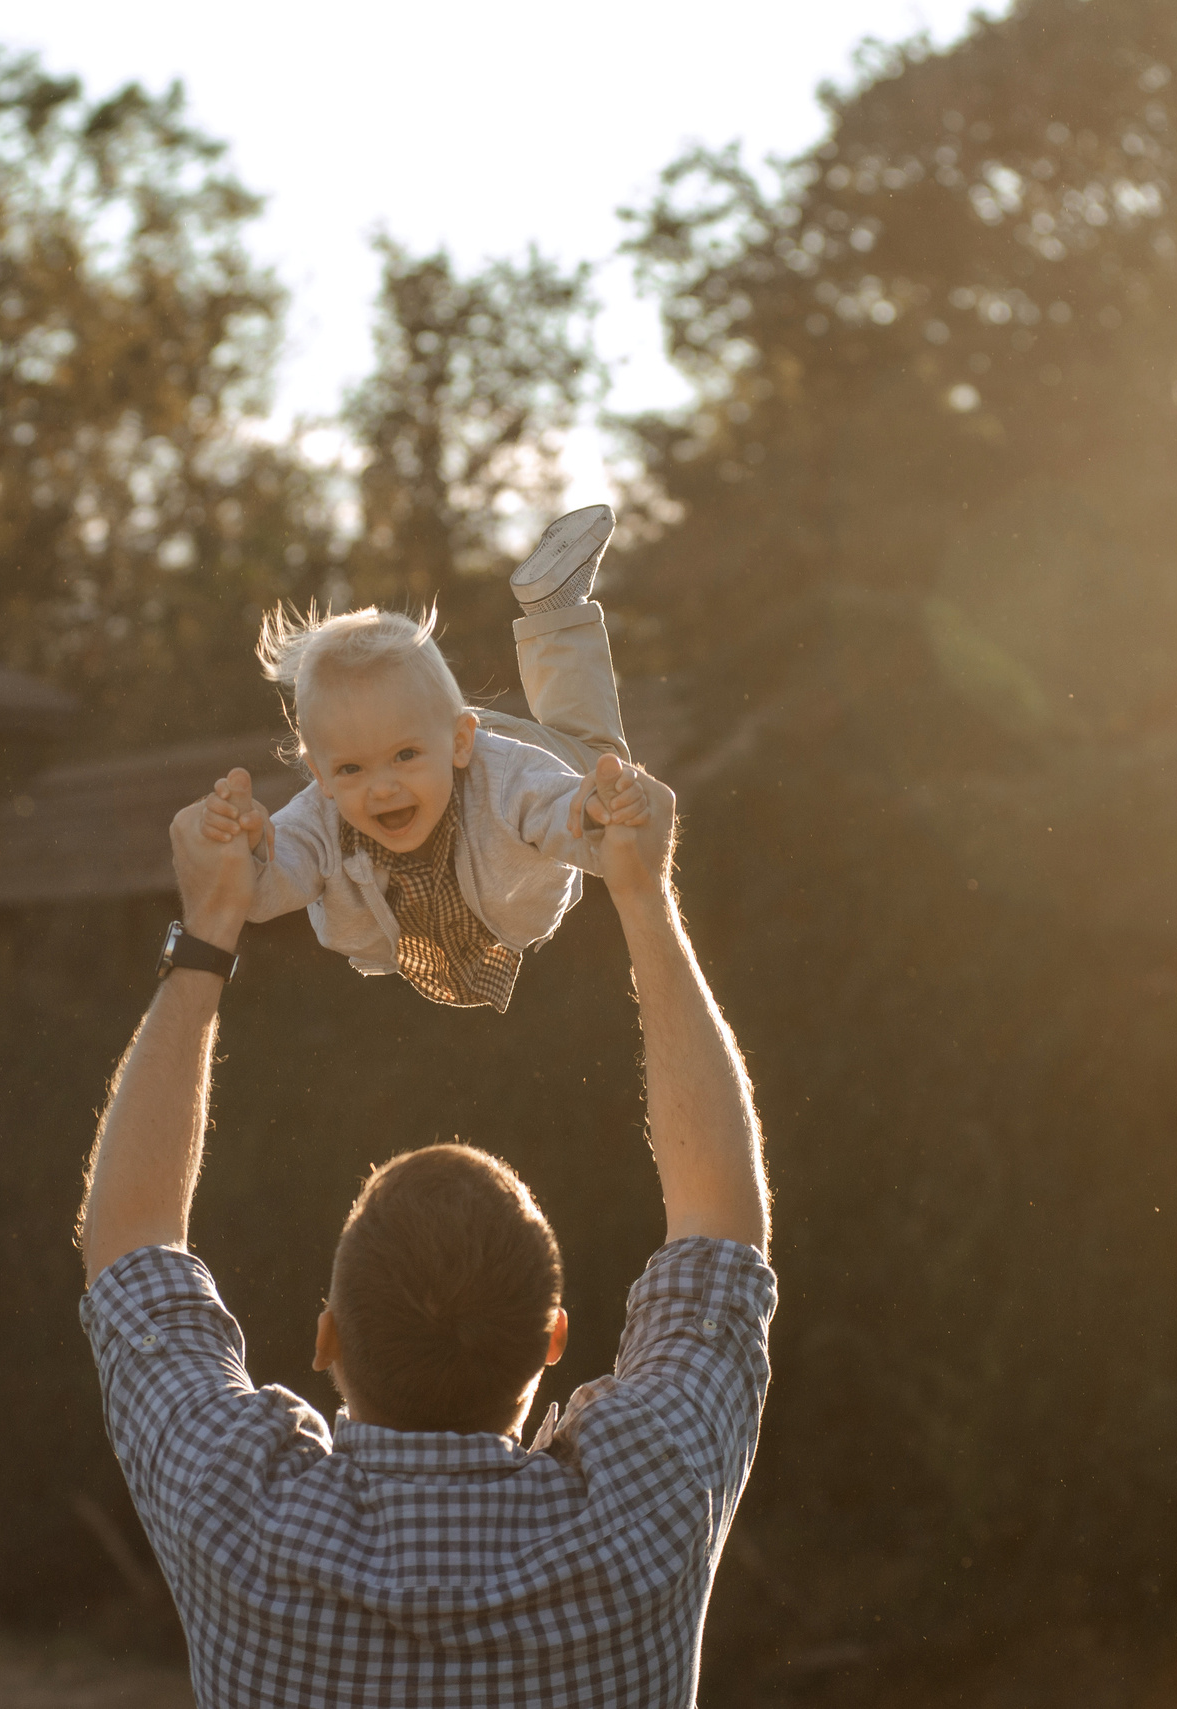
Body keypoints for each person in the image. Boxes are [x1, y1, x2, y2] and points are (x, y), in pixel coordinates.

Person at [76, 747, 776, 1708]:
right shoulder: (643, 1515)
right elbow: (723, 1228)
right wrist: (645, 899)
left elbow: (128, 1244)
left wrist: (208, 927)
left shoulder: (237, 1518)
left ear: (327, 1336)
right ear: (552, 1341)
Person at [224, 503, 633, 1011]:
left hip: (485, 755)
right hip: (437, 736)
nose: (382, 788)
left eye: (402, 758)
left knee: (601, 760)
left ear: (461, 740)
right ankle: (418, 738)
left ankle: (556, 608)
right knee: (402, 740)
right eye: (351, 768)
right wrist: (245, 852)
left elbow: (554, 807)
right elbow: (273, 879)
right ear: (320, 775)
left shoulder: (506, 780)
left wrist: (596, 813)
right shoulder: (319, 820)